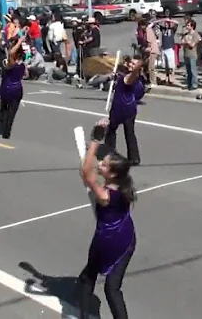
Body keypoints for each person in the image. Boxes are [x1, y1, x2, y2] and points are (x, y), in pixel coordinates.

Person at [78, 119, 136, 319]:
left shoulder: (104, 196)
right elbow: (90, 172)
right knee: (112, 288)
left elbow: (86, 172)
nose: (100, 164)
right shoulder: (122, 186)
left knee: (88, 279)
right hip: (126, 241)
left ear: (111, 174)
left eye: (103, 164)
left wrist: (95, 139)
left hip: (107, 241)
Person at [104, 56, 145, 166]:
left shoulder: (133, 78)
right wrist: (115, 76)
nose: (131, 65)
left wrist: (138, 65)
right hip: (128, 107)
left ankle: (109, 153)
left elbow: (132, 76)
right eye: (131, 63)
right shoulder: (125, 75)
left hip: (122, 108)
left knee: (113, 130)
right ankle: (134, 157)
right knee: (126, 132)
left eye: (134, 64)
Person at [0, 33, 27, 139]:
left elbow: (11, 52)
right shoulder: (21, 62)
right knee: (11, 112)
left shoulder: (11, 61)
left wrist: (19, 41)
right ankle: (6, 132)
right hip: (17, 88)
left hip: (8, 88)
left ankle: (2, 119)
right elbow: (25, 74)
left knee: (6, 109)